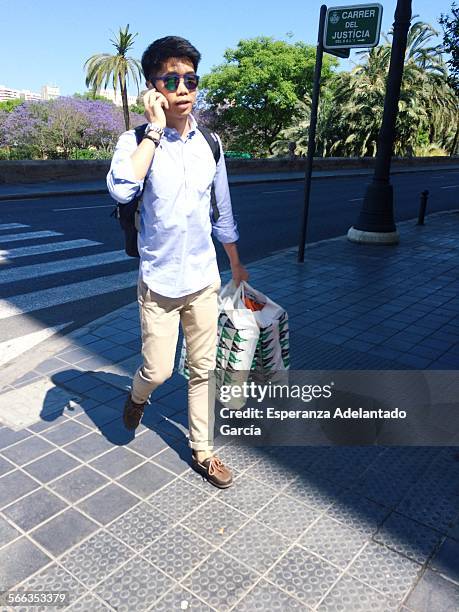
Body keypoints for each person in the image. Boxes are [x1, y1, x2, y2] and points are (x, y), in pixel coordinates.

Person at [107, 36, 249, 488]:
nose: (184, 89)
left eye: (191, 79)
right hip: (159, 283)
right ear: (154, 88)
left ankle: (203, 451)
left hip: (204, 279)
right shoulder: (135, 141)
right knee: (159, 369)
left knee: (204, 369)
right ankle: (137, 394)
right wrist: (151, 130)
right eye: (172, 79)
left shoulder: (211, 142)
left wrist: (237, 265)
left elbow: (221, 210)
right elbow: (122, 189)